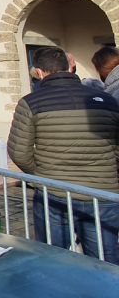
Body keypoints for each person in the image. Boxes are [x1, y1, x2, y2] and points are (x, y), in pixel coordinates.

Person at [8, 47, 119, 264]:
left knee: (53, 260)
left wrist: (41, 174)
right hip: (102, 192)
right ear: (69, 68)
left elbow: (19, 152)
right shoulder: (106, 99)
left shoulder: (31, 101)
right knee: (105, 262)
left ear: (39, 73)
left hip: (54, 192)